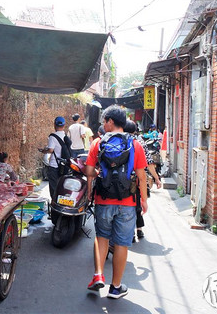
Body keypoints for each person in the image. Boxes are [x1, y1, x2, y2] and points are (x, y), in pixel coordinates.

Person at [84, 106, 148, 299]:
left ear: (111, 121)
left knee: (102, 237)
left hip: (103, 199)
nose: (103, 125)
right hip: (127, 203)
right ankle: (116, 287)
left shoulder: (98, 143)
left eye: (104, 121)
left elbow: (88, 171)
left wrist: (95, 179)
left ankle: (97, 275)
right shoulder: (135, 144)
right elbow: (142, 176)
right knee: (121, 244)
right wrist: (143, 200)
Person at [39, 116, 70, 199]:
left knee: (53, 187)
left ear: (54, 125)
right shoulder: (65, 136)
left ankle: (54, 204)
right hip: (63, 165)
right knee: (61, 186)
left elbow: (51, 150)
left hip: (54, 165)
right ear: (64, 126)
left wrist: (43, 151)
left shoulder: (53, 136)